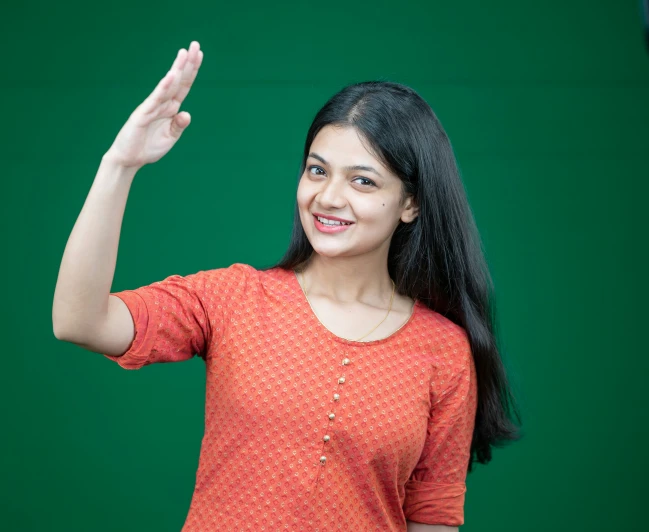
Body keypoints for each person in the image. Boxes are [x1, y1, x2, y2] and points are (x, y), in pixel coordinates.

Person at [52, 41, 522, 532]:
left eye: (362, 181)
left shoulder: (444, 353)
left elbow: (433, 518)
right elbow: (79, 321)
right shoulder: (233, 299)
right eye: (317, 170)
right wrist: (119, 165)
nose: (329, 197)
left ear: (411, 203)